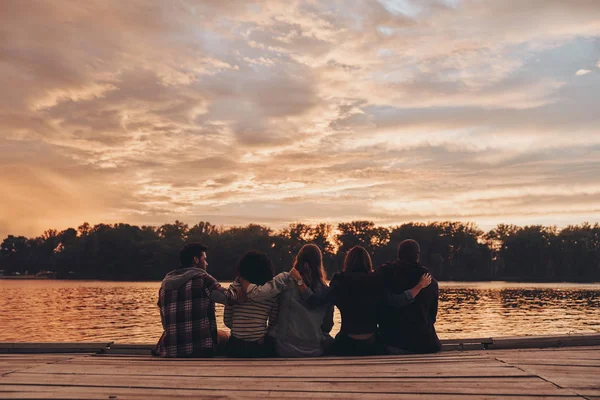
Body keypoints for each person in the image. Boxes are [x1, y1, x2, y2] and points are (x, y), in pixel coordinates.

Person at [291, 245, 432, 356]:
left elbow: (314, 302)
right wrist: (419, 286)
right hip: (372, 344)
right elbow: (398, 301)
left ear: (348, 262)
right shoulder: (376, 280)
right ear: (368, 262)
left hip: (346, 344)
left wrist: (299, 281)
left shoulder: (340, 281)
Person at [240, 244, 334, 357]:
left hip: (284, 348)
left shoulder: (285, 279)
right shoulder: (325, 290)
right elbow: (327, 326)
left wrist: (242, 280)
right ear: (319, 264)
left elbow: (258, 294)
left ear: (298, 260)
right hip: (315, 349)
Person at [153, 243, 244, 358]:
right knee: (224, 336)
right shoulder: (202, 278)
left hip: (170, 350)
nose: (207, 263)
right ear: (196, 260)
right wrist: (241, 284)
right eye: (204, 259)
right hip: (199, 349)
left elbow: (164, 321)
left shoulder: (164, 286)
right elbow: (229, 298)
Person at [377, 239, 442, 354]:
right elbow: (432, 317)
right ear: (418, 255)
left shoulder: (385, 275)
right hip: (425, 344)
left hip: (392, 343)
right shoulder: (430, 281)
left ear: (398, 254)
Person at [224, 251, 279, 358]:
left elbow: (227, 320)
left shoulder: (234, 288)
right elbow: (273, 322)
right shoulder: (271, 293)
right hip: (258, 346)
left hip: (235, 346)